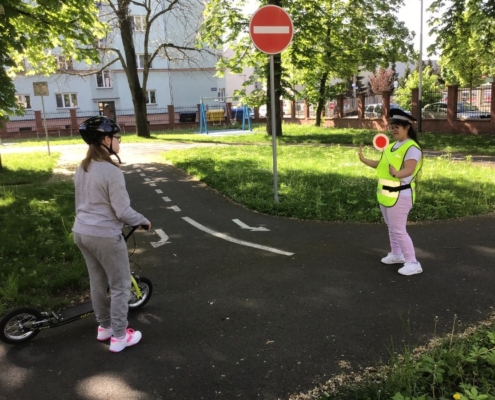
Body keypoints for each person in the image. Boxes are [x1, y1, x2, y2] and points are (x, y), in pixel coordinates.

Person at [72, 116, 151, 352]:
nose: (119, 142)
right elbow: (122, 210)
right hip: (105, 236)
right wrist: (142, 221)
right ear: (105, 139)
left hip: (81, 232)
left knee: (97, 282)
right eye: (117, 137)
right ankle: (119, 336)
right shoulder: (111, 171)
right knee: (120, 286)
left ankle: (104, 327)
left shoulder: (82, 167)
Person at [358, 108, 423, 276]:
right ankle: (396, 254)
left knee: (399, 229)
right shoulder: (392, 146)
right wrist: (364, 159)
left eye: (398, 126)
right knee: (392, 227)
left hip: (401, 194)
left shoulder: (411, 147)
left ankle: (413, 262)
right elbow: (381, 165)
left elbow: (409, 169)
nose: (394, 129)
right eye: (392, 126)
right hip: (386, 194)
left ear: (407, 127)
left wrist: (398, 173)